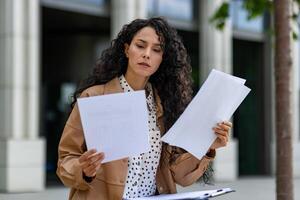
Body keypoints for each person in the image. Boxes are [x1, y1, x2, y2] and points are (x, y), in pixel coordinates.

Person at [56, 17, 232, 200]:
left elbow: (179, 176)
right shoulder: (93, 97)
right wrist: (83, 169)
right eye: (140, 46)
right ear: (126, 49)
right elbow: (65, 162)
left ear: (162, 59)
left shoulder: (166, 106)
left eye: (156, 50)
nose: (147, 54)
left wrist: (206, 146)